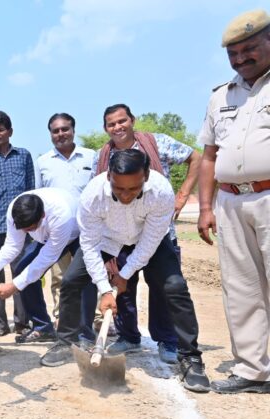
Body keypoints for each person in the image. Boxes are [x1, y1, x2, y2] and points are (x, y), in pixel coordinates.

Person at [44, 149, 210, 393]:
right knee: (70, 281)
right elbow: (88, 246)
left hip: (147, 240)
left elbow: (149, 243)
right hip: (106, 240)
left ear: (146, 177)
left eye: (133, 190)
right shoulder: (93, 195)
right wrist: (105, 289)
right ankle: (65, 341)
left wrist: (123, 275)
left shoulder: (161, 191)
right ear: (109, 175)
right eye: (118, 189)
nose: (125, 196)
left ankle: (191, 358)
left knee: (174, 286)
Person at [94, 104, 202, 364]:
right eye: (111, 124)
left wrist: (183, 194)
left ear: (132, 120)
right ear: (105, 128)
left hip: (157, 233)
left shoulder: (157, 143)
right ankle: (128, 337)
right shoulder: (102, 155)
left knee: (164, 286)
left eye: (122, 121)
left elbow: (196, 158)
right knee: (123, 286)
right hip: (120, 236)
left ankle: (167, 340)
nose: (118, 127)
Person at [198, 8, 270, 394]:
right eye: (234, 53)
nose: (241, 59)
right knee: (241, 289)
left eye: (249, 49)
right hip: (229, 202)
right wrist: (206, 207)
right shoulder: (220, 97)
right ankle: (252, 370)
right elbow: (209, 155)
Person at [0, 188, 94, 343]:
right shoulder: (15, 211)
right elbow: (13, 245)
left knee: (83, 276)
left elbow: (47, 258)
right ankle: (42, 327)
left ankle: (85, 334)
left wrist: (14, 286)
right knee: (22, 270)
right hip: (49, 239)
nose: (27, 232)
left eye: (30, 229)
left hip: (80, 233)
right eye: (23, 229)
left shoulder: (60, 214)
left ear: (42, 216)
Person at [34, 113, 96, 326]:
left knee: (91, 275)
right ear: (50, 134)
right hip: (58, 231)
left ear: (73, 130)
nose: (61, 134)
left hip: (88, 229)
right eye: (55, 131)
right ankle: (63, 319)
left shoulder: (91, 157)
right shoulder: (43, 162)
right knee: (59, 277)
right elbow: (39, 198)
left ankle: (95, 319)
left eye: (65, 129)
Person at [0, 110, 34, 338]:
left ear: (10, 132)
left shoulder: (24, 156)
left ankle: (23, 324)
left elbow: (31, 190)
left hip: (20, 227)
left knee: (20, 275)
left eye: (1, 130)